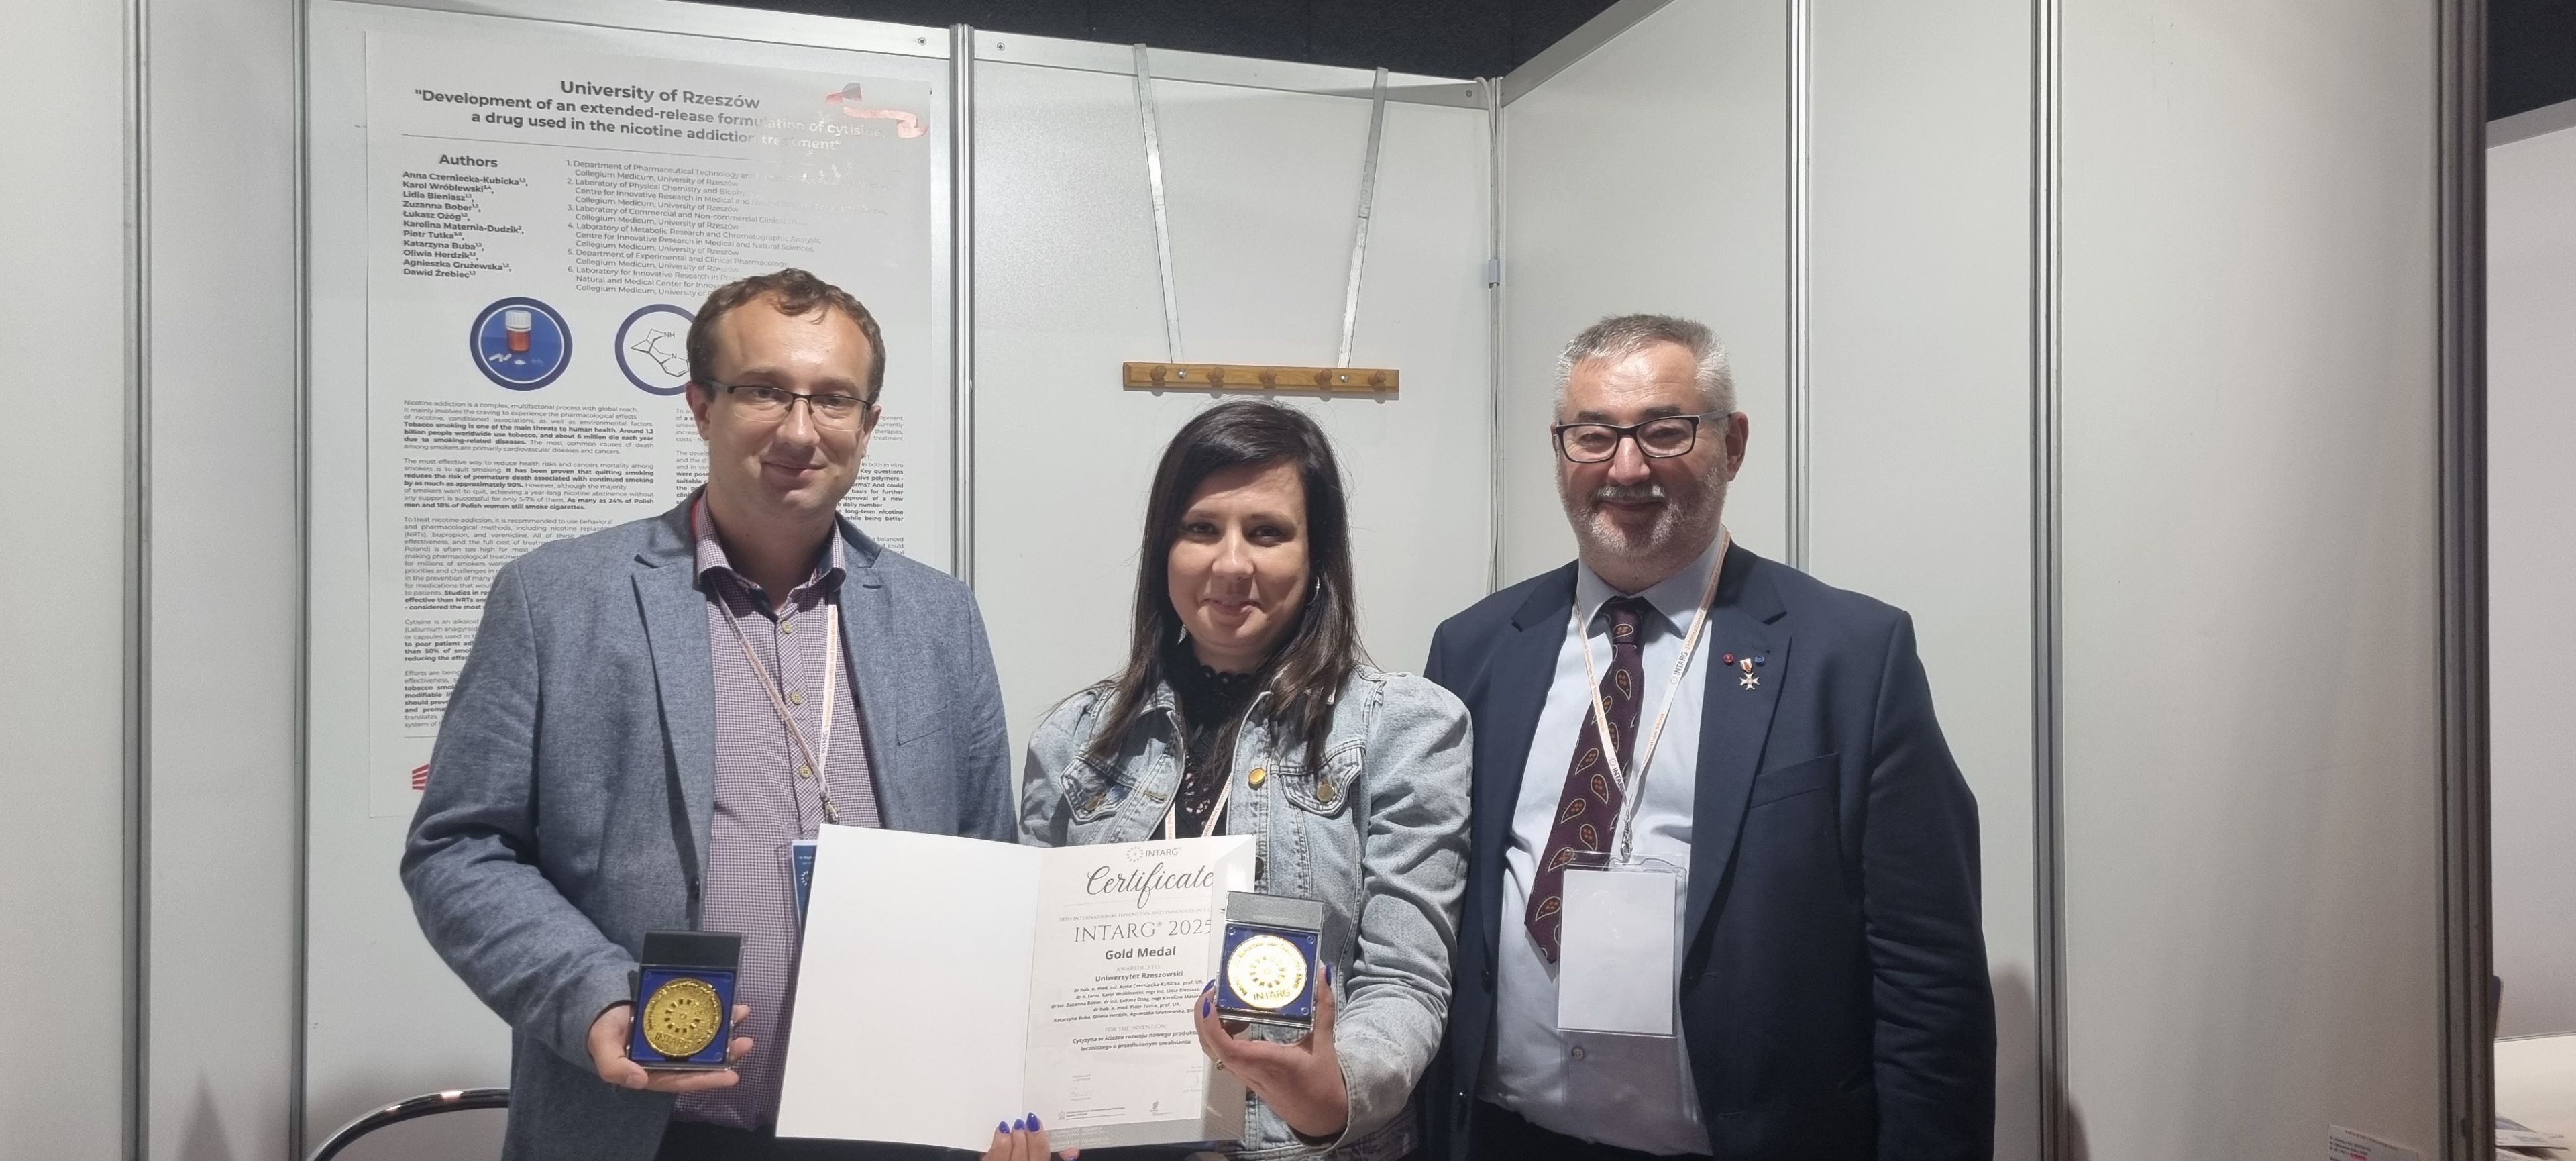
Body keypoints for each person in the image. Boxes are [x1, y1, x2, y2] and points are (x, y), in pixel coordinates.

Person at [403, 268, 1014, 1161]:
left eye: (833, 399)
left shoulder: (939, 618)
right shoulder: (556, 599)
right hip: (645, 1131)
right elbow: (458, 848)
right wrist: (593, 993)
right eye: (764, 390)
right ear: (700, 405)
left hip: (891, 1128)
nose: (800, 430)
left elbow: (989, 867)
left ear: (868, 423)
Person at [1417, 315, 1994, 1161]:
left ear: (1734, 442)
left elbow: (1928, 976)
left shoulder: (1851, 658)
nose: (1626, 467)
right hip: (1504, 1138)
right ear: (1560, 450)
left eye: (1664, 431)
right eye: (1594, 435)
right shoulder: (1475, 649)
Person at [996, 401, 1472, 1161]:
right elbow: (1030, 977)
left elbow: (1404, 981)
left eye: (1267, 532)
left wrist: (1330, 1092)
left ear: (1318, 555)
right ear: (1163, 548)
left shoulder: (1406, 727)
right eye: (1201, 528)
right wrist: (1019, 1112)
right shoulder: (1076, 738)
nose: (1230, 564)